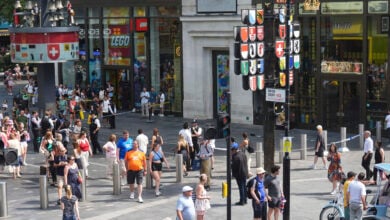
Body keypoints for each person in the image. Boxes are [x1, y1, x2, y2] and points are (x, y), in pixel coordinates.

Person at [231, 141, 248, 205]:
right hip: (244, 173)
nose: (231, 152)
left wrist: (233, 174)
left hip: (239, 174)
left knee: (241, 187)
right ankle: (245, 200)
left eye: (232, 150)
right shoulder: (243, 154)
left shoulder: (235, 157)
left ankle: (242, 201)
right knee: (244, 186)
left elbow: (234, 167)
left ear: (235, 150)